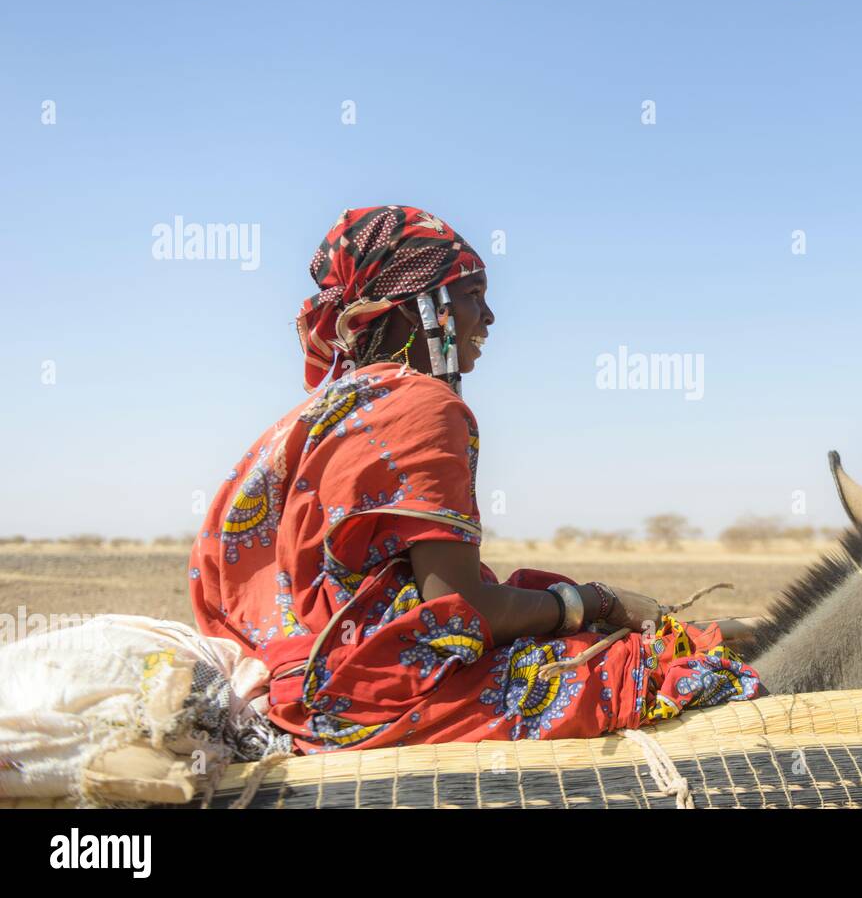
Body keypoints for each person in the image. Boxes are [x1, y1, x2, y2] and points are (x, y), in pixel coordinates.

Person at [188, 205, 761, 753]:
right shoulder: (420, 405)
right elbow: (458, 608)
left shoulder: (316, 414)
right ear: (419, 306)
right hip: (370, 702)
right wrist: (598, 600)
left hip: (295, 687)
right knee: (685, 675)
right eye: (472, 297)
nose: (488, 318)